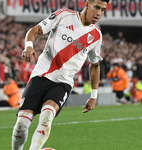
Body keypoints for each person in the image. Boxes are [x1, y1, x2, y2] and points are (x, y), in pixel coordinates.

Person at [12, 0, 109, 149]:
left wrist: (94, 96)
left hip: (63, 82)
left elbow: (95, 65)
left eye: (102, 10)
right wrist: (29, 47)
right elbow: (35, 30)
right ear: (87, 5)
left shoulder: (96, 35)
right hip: (41, 75)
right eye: (96, 7)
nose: (99, 13)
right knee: (22, 123)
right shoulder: (63, 15)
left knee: (46, 118)